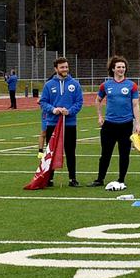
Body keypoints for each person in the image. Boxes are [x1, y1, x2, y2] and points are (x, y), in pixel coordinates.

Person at [88, 56, 140, 189]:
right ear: (113, 69)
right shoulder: (105, 85)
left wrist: (138, 124)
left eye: (123, 67)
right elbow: (98, 100)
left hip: (125, 125)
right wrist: (100, 116)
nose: (121, 69)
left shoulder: (132, 85)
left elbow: (135, 105)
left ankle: (121, 179)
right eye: (118, 67)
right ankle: (100, 179)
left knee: (124, 154)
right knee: (105, 154)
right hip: (109, 125)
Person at [39, 57, 84, 187]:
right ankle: (49, 178)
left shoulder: (75, 84)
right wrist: (54, 110)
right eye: (62, 67)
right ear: (56, 69)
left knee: (70, 151)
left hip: (70, 124)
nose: (65, 69)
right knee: (51, 151)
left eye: (66, 67)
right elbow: (43, 102)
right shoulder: (49, 85)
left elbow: (79, 102)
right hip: (52, 123)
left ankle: (72, 179)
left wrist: (69, 111)